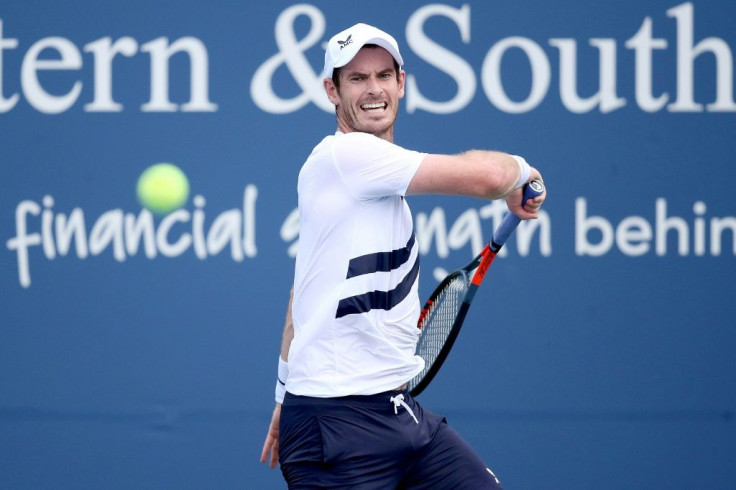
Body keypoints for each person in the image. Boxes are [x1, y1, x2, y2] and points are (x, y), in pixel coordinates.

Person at [260, 22, 545, 488]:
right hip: (336, 428)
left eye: (382, 76)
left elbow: (303, 293)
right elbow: (490, 179)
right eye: (356, 79)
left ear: (401, 83)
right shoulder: (346, 157)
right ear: (331, 90)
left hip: (399, 414)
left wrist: (282, 394)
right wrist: (523, 172)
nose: (373, 90)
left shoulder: (369, 185)